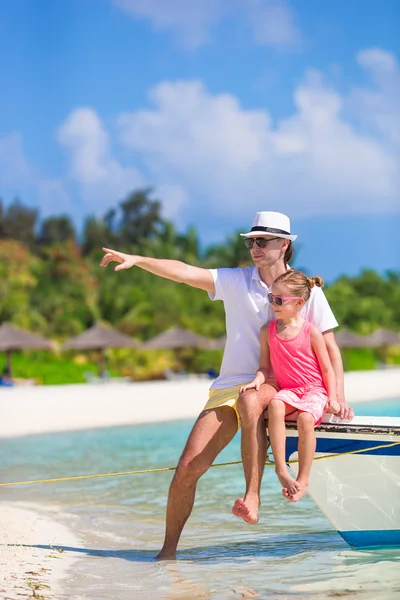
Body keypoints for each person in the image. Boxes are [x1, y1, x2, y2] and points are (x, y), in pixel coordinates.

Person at [100, 211, 354, 559]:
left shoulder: (306, 291)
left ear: (284, 245)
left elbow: (330, 349)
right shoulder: (236, 281)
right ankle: (167, 554)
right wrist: (139, 259)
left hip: (284, 385)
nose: (254, 247)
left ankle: (253, 496)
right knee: (189, 466)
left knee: (253, 402)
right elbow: (186, 272)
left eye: (262, 241)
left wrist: (337, 397)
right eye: (251, 241)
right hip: (231, 383)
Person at [239, 270, 341, 510]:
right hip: (291, 390)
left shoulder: (311, 331)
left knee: (306, 419)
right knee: (275, 403)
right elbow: (264, 367)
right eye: (271, 298)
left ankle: (303, 478)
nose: (273, 304)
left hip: (314, 390)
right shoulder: (268, 331)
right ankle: (281, 469)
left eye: (279, 300)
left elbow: (327, 370)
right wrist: (257, 380)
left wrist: (334, 398)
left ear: (299, 303)